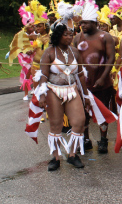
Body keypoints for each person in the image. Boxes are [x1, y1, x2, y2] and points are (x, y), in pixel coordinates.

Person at [37, 22, 90, 171]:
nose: (69, 37)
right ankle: (55, 157)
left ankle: (72, 154)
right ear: (58, 36)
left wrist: (85, 96)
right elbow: (43, 75)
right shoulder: (49, 52)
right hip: (53, 90)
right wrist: (42, 95)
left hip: (71, 89)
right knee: (56, 125)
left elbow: (80, 75)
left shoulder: (75, 52)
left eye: (71, 34)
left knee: (79, 121)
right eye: (65, 34)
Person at [73, 2, 115, 153]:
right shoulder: (77, 38)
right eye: (81, 23)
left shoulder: (105, 37)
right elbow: (74, 59)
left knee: (102, 112)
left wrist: (103, 77)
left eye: (86, 23)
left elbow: (111, 59)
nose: (82, 25)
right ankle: (86, 140)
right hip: (83, 84)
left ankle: (103, 140)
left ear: (94, 23)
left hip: (102, 83)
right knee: (83, 113)